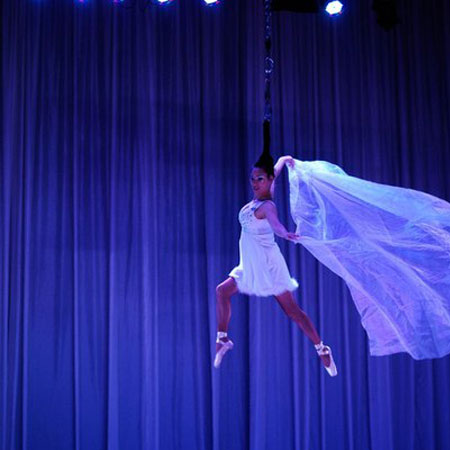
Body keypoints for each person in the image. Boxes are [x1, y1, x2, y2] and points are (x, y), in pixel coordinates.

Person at [214, 152, 337, 376]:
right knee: (222, 291)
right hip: (249, 264)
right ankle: (222, 339)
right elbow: (276, 171)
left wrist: (285, 233)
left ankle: (321, 348)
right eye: (253, 178)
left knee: (293, 312)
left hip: (269, 265)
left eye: (260, 179)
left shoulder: (267, 206)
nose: (255, 183)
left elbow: (277, 226)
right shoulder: (261, 196)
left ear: (268, 180)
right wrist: (283, 160)